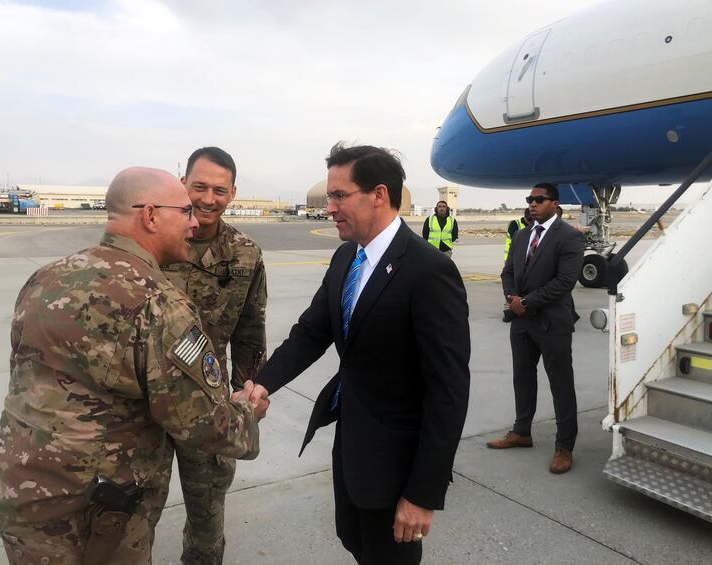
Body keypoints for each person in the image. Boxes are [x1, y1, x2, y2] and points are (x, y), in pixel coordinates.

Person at [0, 167, 268, 564]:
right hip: (94, 511)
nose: (193, 221)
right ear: (150, 216)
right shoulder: (159, 305)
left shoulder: (46, 278)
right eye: (184, 211)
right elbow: (204, 425)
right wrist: (247, 415)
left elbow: (24, 372)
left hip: (18, 492)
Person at [248, 143, 470, 564]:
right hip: (353, 444)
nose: (329, 207)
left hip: (397, 462)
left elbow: (450, 391)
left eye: (339, 196)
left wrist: (423, 493)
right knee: (356, 543)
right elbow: (312, 331)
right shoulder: (346, 256)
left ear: (379, 195)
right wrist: (263, 382)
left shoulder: (429, 271)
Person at [163, 147, 267, 565]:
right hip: (143, 403)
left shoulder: (245, 253)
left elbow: (250, 328)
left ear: (233, 193)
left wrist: (250, 389)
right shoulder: (155, 240)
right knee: (131, 511)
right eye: (199, 186)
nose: (208, 198)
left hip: (209, 401)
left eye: (219, 190)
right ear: (183, 182)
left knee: (207, 511)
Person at [489, 182, 585, 474]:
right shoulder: (520, 236)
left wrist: (527, 302)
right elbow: (508, 272)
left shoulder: (568, 237)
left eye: (539, 199)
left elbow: (565, 282)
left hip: (552, 321)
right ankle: (521, 431)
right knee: (522, 378)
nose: (532, 204)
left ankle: (564, 446)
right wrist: (512, 298)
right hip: (521, 322)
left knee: (561, 384)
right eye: (530, 199)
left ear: (554, 203)